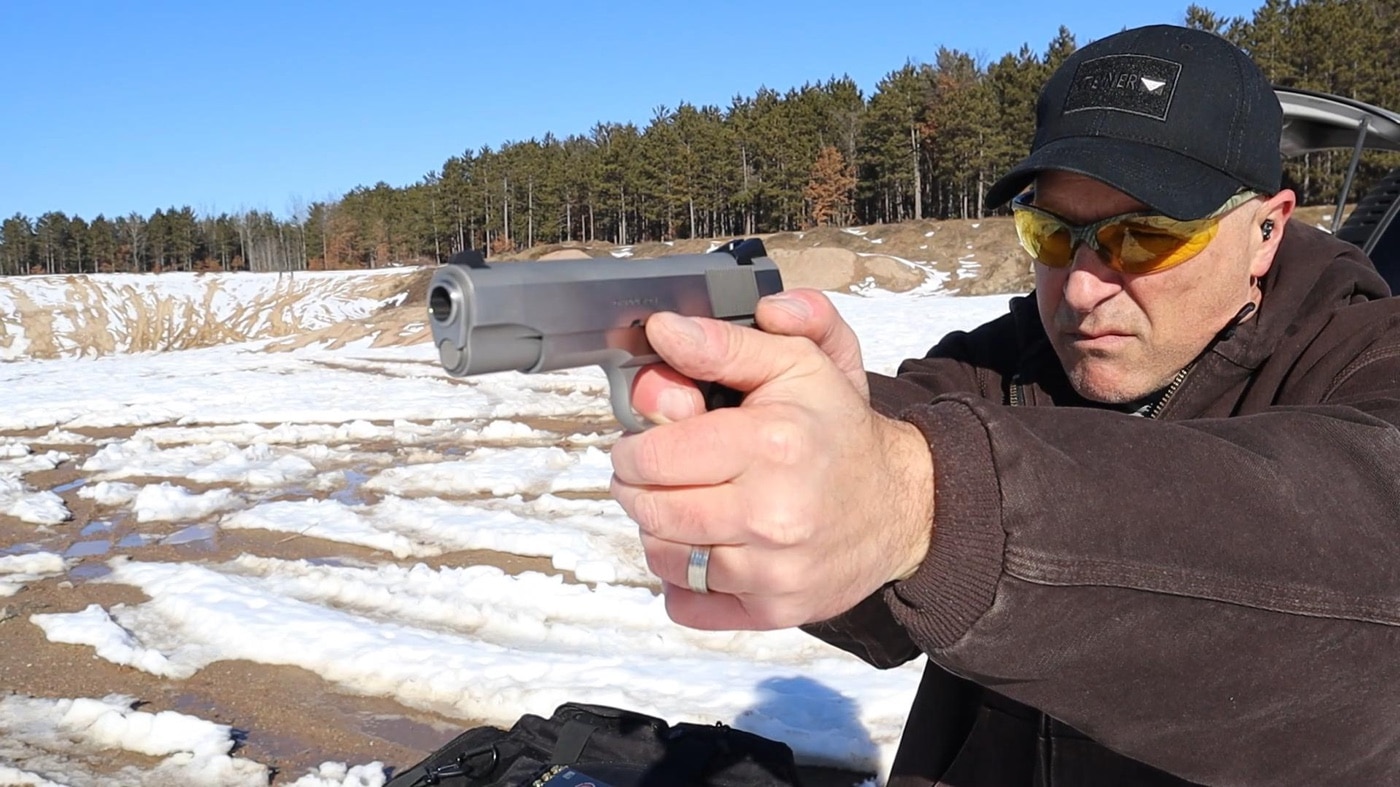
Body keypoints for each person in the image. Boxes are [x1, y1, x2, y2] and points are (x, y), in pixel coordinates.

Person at [609, 23, 1400, 786]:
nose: (1084, 287)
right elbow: (888, 463)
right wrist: (777, 428)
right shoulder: (1008, 357)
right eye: (1053, 235)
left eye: (1145, 237)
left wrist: (929, 502)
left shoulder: (1365, 355)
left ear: (1266, 229)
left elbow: (1356, 534)